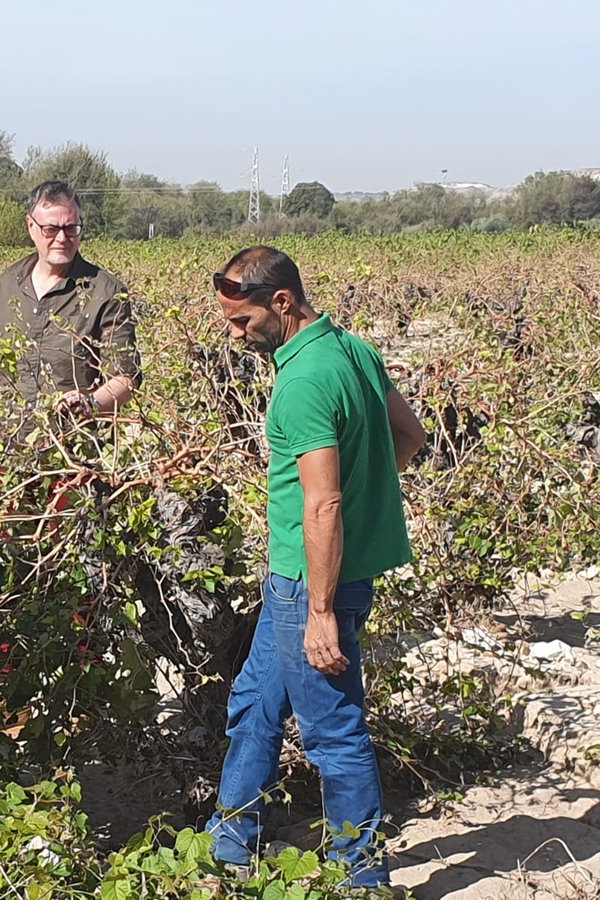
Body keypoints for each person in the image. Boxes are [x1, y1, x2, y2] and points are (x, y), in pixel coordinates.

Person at [203, 246, 427, 888]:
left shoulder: (301, 384)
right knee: (254, 704)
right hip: (307, 581)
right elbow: (407, 438)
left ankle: (361, 876)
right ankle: (229, 844)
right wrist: (363, 498)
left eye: (242, 320)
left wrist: (322, 610)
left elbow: (323, 501)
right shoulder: (352, 350)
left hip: (312, 585)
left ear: (281, 303)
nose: (234, 333)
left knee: (333, 731)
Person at [0, 180, 140, 430]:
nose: (62, 238)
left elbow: (126, 378)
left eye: (71, 229)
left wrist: (90, 403)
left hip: (74, 452)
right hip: (4, 450)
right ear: (31, 227)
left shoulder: (105, 292)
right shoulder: (6, 286)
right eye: (51, 229)